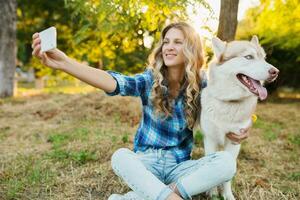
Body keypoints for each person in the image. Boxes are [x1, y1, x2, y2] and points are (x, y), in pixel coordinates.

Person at [32, 22, 250, 200]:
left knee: (226, 163)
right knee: (120, 157)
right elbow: (114, 82)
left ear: (191, 49)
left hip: (179, 167)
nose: (168, 47)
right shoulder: (150, 80)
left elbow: (227, 108)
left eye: (177, 42)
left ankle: (146, 196)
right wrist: (66, 64)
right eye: (166, 42)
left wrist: (242, 127)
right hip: (146, 164)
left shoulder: (202, 85)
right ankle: (173, 196)